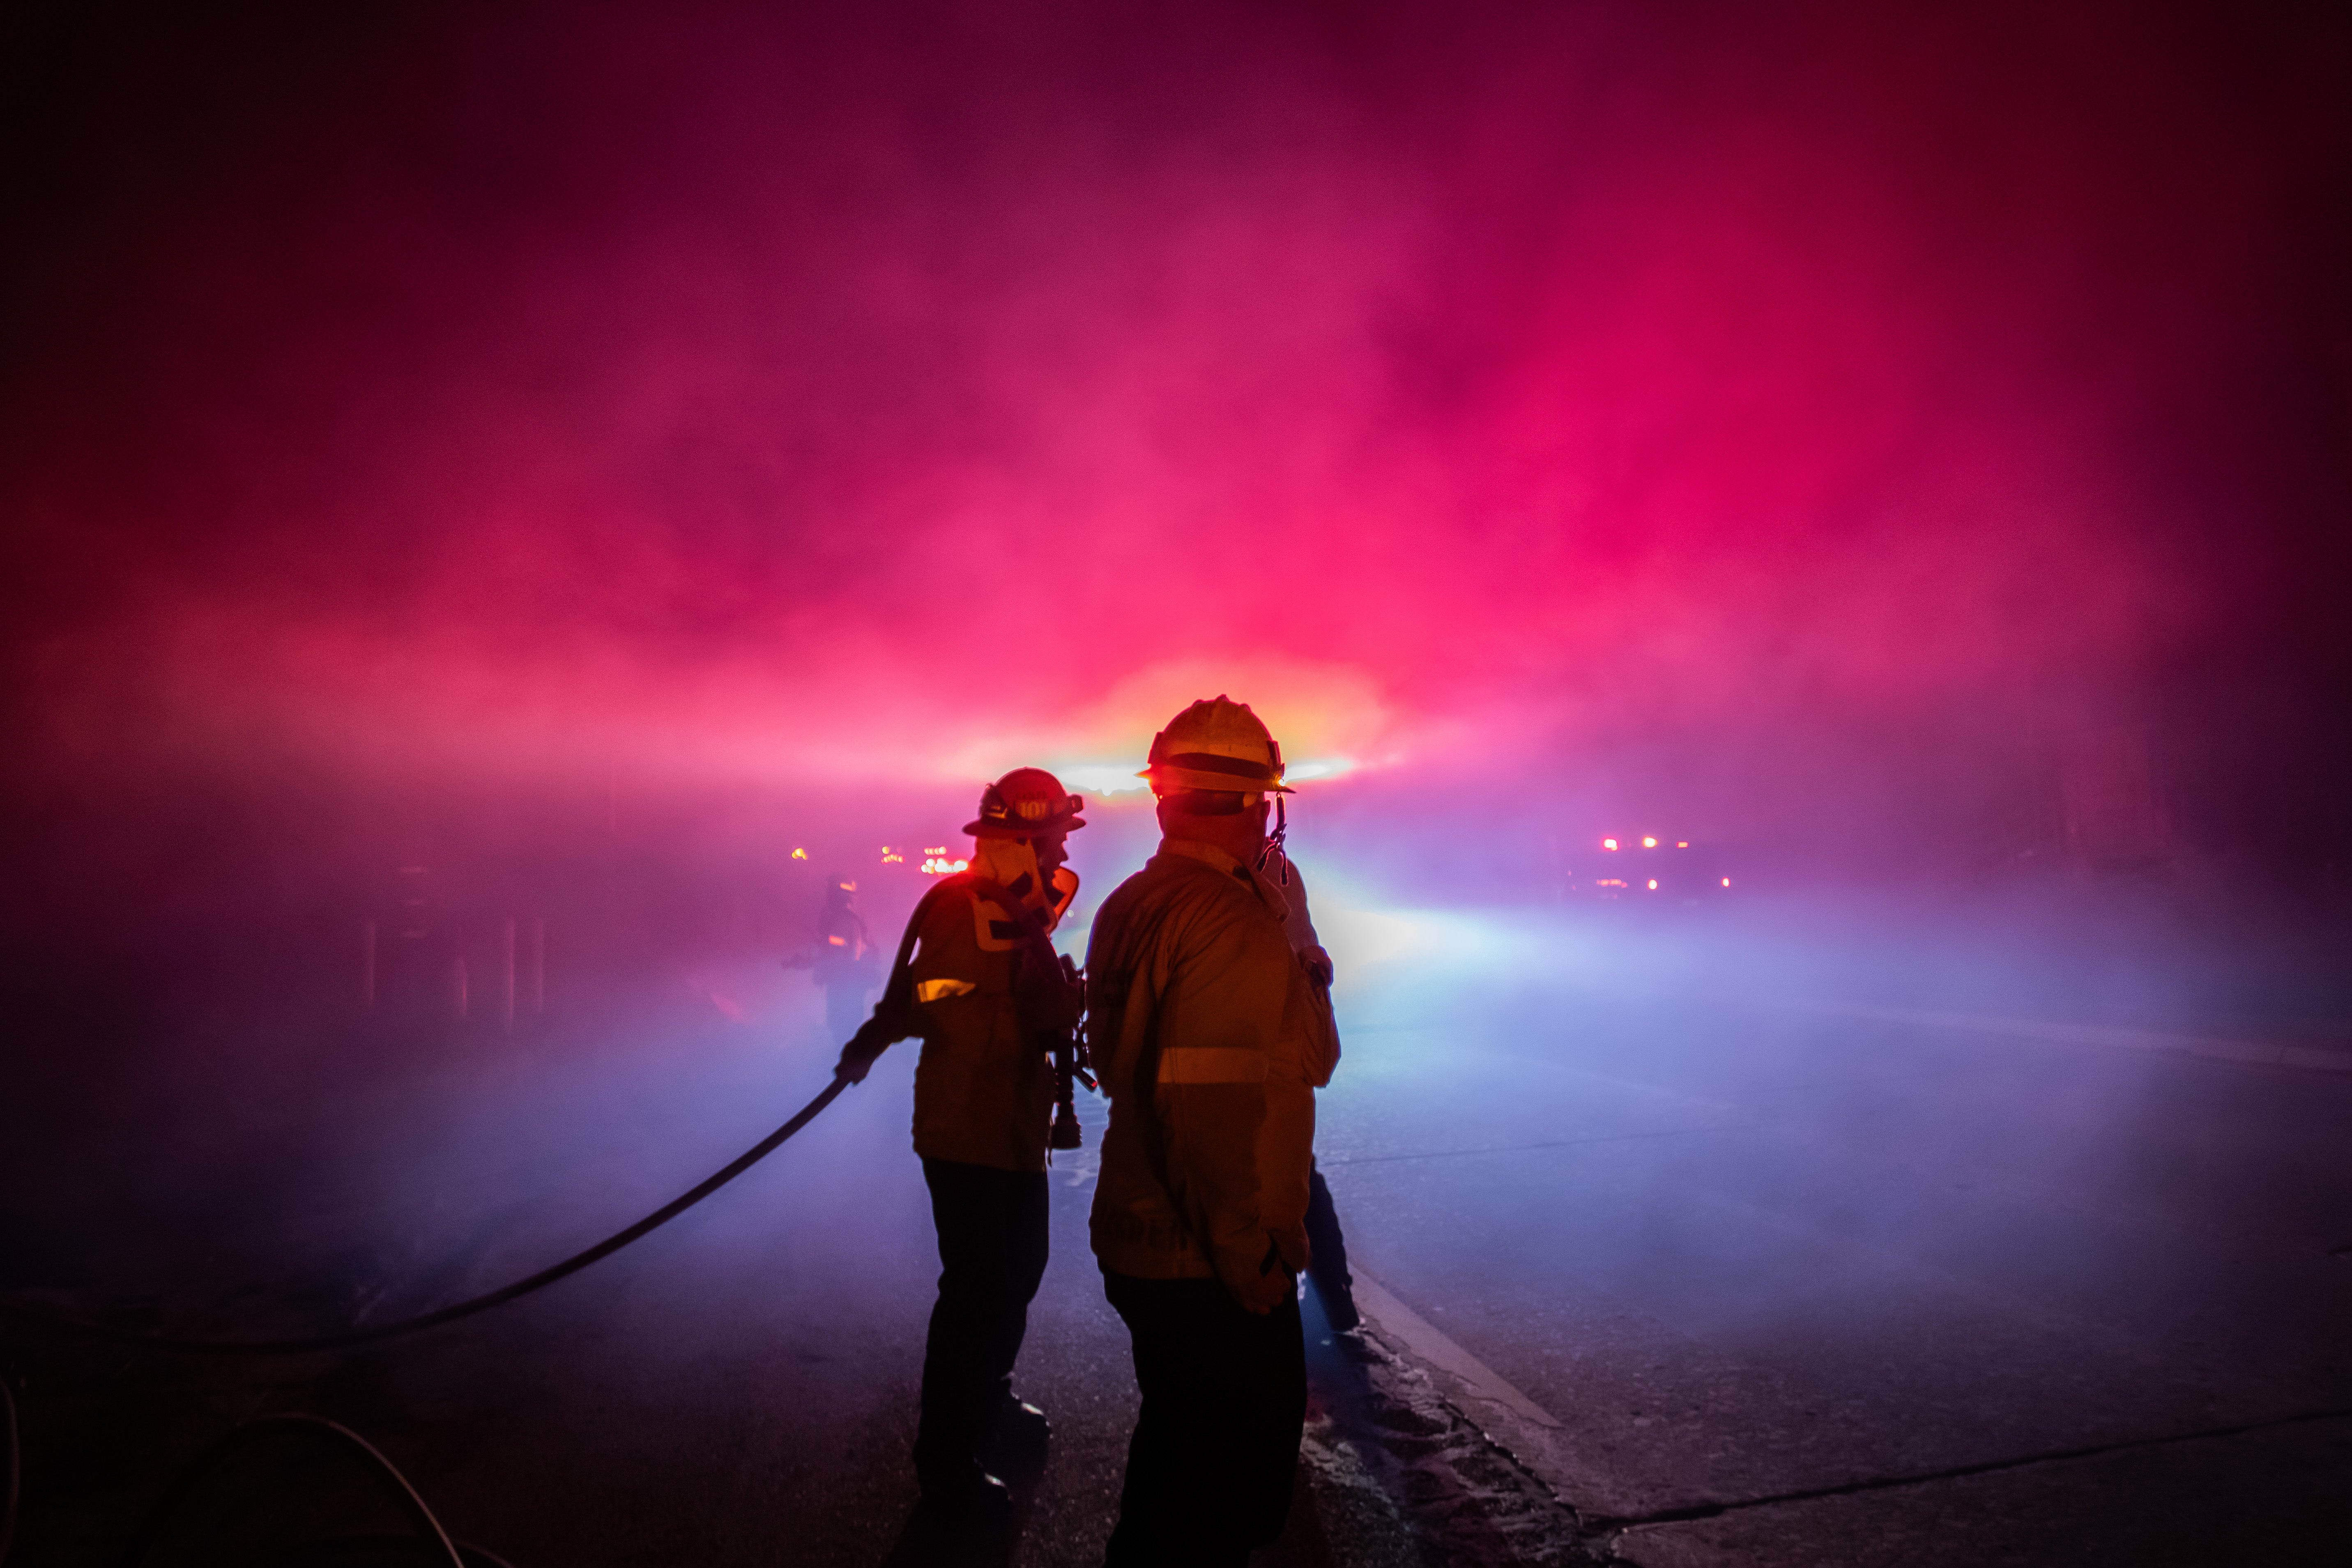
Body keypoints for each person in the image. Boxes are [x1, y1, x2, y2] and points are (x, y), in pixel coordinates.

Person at [1086, 697, 1341, 1566]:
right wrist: (1247, 1253)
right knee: (1219, 1508)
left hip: (1146, 1238)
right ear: (1261, 805)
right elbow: (1216, 1102)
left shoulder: (1134, 899)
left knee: (1170, 1474)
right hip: (1207, 1260)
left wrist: (1287, 926)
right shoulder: (1232, 921)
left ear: (1164, 797)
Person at [835, 769, 1089, 1519]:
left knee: (1019, 1274)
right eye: (1055, 836)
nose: (1062, 847)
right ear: (1024, 837)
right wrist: (866, 1045)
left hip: (1013, 1129)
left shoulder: (1022, 912)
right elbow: (923, 995)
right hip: (965, 1130)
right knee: (976, 1293)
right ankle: (945, 1461)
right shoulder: (959, 907)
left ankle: (989, 1402)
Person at [811, 875, 878, 1042]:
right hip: (846, 978)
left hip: (847, 977)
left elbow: (842, 945)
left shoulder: (845, 919)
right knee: (842, 1023)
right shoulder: (845, 917)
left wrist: (828, 942)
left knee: (844, 1024)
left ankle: (847, 1054)